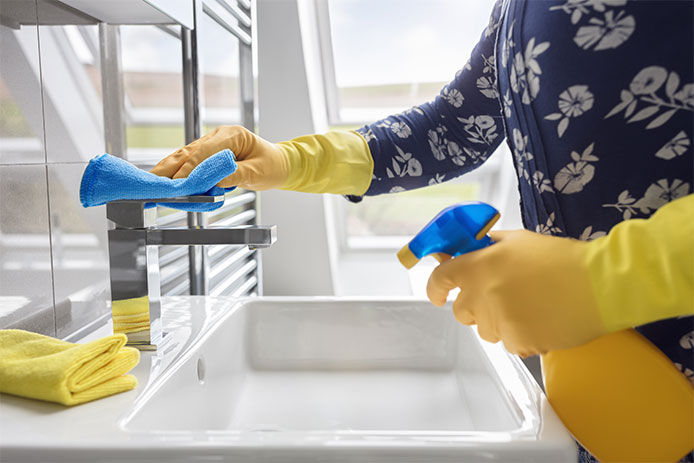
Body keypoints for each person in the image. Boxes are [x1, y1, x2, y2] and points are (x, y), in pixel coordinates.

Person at [151, 1, 693, 460]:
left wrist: (606, 278)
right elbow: (450, 129)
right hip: (608, 386)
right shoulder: (516, 13)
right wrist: (290, 160)